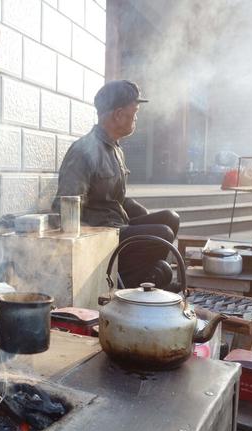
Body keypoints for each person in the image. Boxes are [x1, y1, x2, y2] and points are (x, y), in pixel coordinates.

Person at [53, 80, 180, 289]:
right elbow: (66, 207)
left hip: (117, 226)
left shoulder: (114, 149)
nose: (136, 118)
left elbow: (110, 196)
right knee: (162, 234)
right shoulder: (84, 151)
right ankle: (120, 286)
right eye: (135, 112)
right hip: (101, 237)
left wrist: (133, 207)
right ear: (118, 114)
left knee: (170, 218)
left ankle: (147, 277)